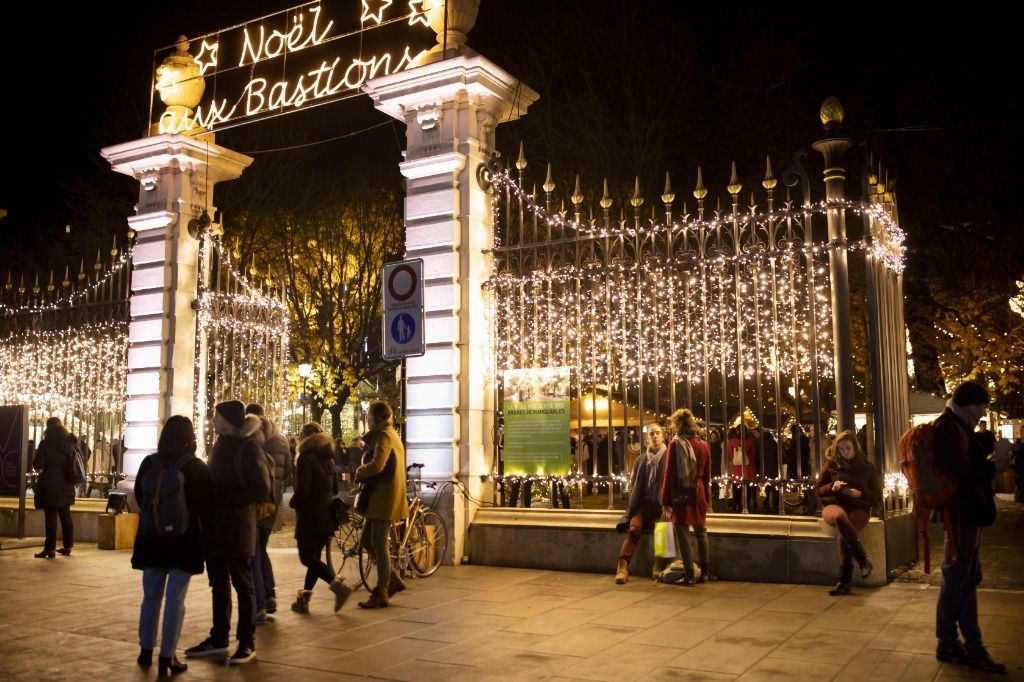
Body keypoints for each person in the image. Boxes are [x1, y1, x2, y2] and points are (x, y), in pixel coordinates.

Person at [184, 400, 268, 666]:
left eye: (217, 416)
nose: (213, 420)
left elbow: (261, 487)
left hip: (238, 527)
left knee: (243, 585)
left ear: (229, 420)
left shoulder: (249, 446)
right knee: (218, 584)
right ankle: (218, 638)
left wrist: (226, 500)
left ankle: (247, 642)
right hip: (215, 527)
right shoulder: (219, 445)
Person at [932, 381, 1006, 673]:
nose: (984, 411)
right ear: (971, 405)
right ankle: (957, 643)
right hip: (960, 516)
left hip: (964, 515)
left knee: (964, 578)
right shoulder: (949, 428)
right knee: (958, 579)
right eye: (982, 405)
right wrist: (990, 468)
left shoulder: (954, 426)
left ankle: (956, 642)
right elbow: (955, 468)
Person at [132, 415, 212, 677]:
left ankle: (145, 651)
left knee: (150, 598)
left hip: (151, 540)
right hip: (183, 541)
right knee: (175, 600)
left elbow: (139, 497)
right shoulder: (196, 467)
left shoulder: (149, 463)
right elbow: (205, 507)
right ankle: (168, 657)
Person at [289, 429, 352, 614]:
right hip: (326, 515)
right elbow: (334, 488)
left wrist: (294, 502)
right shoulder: (329, 458)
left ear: (306, 438)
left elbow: (303, 489)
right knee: (315, 559)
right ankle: (303, 600)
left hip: (310, 516)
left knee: (307, 558)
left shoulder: (305, 458)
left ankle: (338, 587)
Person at [354, 401, 408, 608]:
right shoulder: (390, 434)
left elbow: (378, 464)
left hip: (383, 497)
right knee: (368, 540)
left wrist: (360, 472)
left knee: (379, 542)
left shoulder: (385, 436)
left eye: (368, 415)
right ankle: (391, 578)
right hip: (383, 496)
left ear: (376, 417)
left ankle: (382, 589)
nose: (366, 418)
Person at [813, 429, 881, 596]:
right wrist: (832, 487)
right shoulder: (831, 465)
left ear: (855, 447)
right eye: (841, 449)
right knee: (839, 518)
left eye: (847, 448)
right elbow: (818, 489)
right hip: (834, 504)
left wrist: (861, 493)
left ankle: (844, 582)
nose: (844, 452)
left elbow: (877, 495)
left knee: (844, 534)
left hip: (859, 507)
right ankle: (863, 560)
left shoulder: (867, 468)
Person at [245, 403, 289, 619]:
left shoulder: (252, 437)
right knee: (261, 549)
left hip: (255, 503)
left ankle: (259, 603)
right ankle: (270, 594)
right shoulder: (281, 438)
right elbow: (289, 471)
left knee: (253, 552)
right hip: (273, 502)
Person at [660, 408, 713, 585]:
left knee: (682, 532)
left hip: (682, 492)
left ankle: (690, 575)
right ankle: (705, 572)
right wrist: (705, 496)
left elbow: (669, 474)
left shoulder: (675, 445)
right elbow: (707, 475)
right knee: (701, 531)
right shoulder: (703, 445)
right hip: (699, 492)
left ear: (677, 425)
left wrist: (664, 500)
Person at [614, 424, 667, 584]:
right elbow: (634, 484)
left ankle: (658, 565)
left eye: (657, 433)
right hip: (644, 505)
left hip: (662, 505)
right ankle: (622, 565)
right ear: (647, 438)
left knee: (662, 530)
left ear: (663, 436)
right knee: (634, 528)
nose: (655, 436)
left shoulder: (668, 457)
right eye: (652, 434)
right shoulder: (640, 460)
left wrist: (668, 505)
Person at [32, 417, 79, 558]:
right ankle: (68, 546)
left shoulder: (46, 444)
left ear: (48, 428)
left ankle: (50, 548)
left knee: (50, 516)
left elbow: (38, 464)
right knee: (65, 514)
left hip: (50, 482)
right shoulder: (69, 443)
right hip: (66, 482)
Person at [728, 427, 756, 512]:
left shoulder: (732, 441)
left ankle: (738, 504)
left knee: (737, 488)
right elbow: (753, 455)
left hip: (736, 468)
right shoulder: (750, 441)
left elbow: (731, 455)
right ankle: (746, 505)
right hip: (748, 467)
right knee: (747, 488)